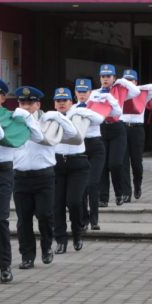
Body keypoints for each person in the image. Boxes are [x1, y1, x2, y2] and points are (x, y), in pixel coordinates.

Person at [0, 75, 41, 284]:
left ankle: (5, 266)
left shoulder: (12, 117)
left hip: (2, 173)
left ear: (3, 98)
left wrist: (28, 118)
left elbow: (38, 137)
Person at [12, 86, 75, 269]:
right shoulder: (15, 122)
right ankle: (27, 256)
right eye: (22, 103)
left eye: (30, 103)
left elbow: (71, 134)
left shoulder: (48, 121)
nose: (26, 107)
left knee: (45, 215)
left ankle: (46, 247)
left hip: (44, 176)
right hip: (21, 176)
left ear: (38, 104)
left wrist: (58, 117)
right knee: (23, 219)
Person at [52, 88, 97, 253]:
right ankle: (60, 240)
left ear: (71, 102)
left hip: (77, 162)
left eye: (64, 100)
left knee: (75, 202)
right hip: (57, 163)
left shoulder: (79, 114)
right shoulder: (51, 118)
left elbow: (99, 119)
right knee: (57, 204)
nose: (61, 103)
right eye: (58, 100)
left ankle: (77, 233)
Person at [93, 64, 136, 207]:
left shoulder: (120, 90)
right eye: (103, 76)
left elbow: (135, 91)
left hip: (118, 128)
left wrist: (122, 81)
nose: (105, 79)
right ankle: (103, 198)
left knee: (115, 164)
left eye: (108, 76)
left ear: (114, 78)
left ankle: (119, 193)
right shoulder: (96, 93)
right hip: (102, 128)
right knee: (103, 165)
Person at [120, 69, 152, 200]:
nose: (128, 83)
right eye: (126, 80)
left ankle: (137, 184)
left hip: (137, 129)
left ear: (136, 81)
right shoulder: (119, 94)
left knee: (136, 163)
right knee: (123, 162)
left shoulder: (143, 94)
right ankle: (126, 192)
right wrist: (124, 85)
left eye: (131, 80)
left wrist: (135, 88)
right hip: (122, 128)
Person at [75, 78, 106, 231]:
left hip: (95, 146)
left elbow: (100, 119)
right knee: (81, 185)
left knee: (93, 183)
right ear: (75, 92)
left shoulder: (96, 105)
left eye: (85, 92)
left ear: (90, 92)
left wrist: (83, 111)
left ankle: (94, 219)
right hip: (80, 147)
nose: (82, 95)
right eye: (79, 91)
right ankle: (83, 219)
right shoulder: (72, 107)